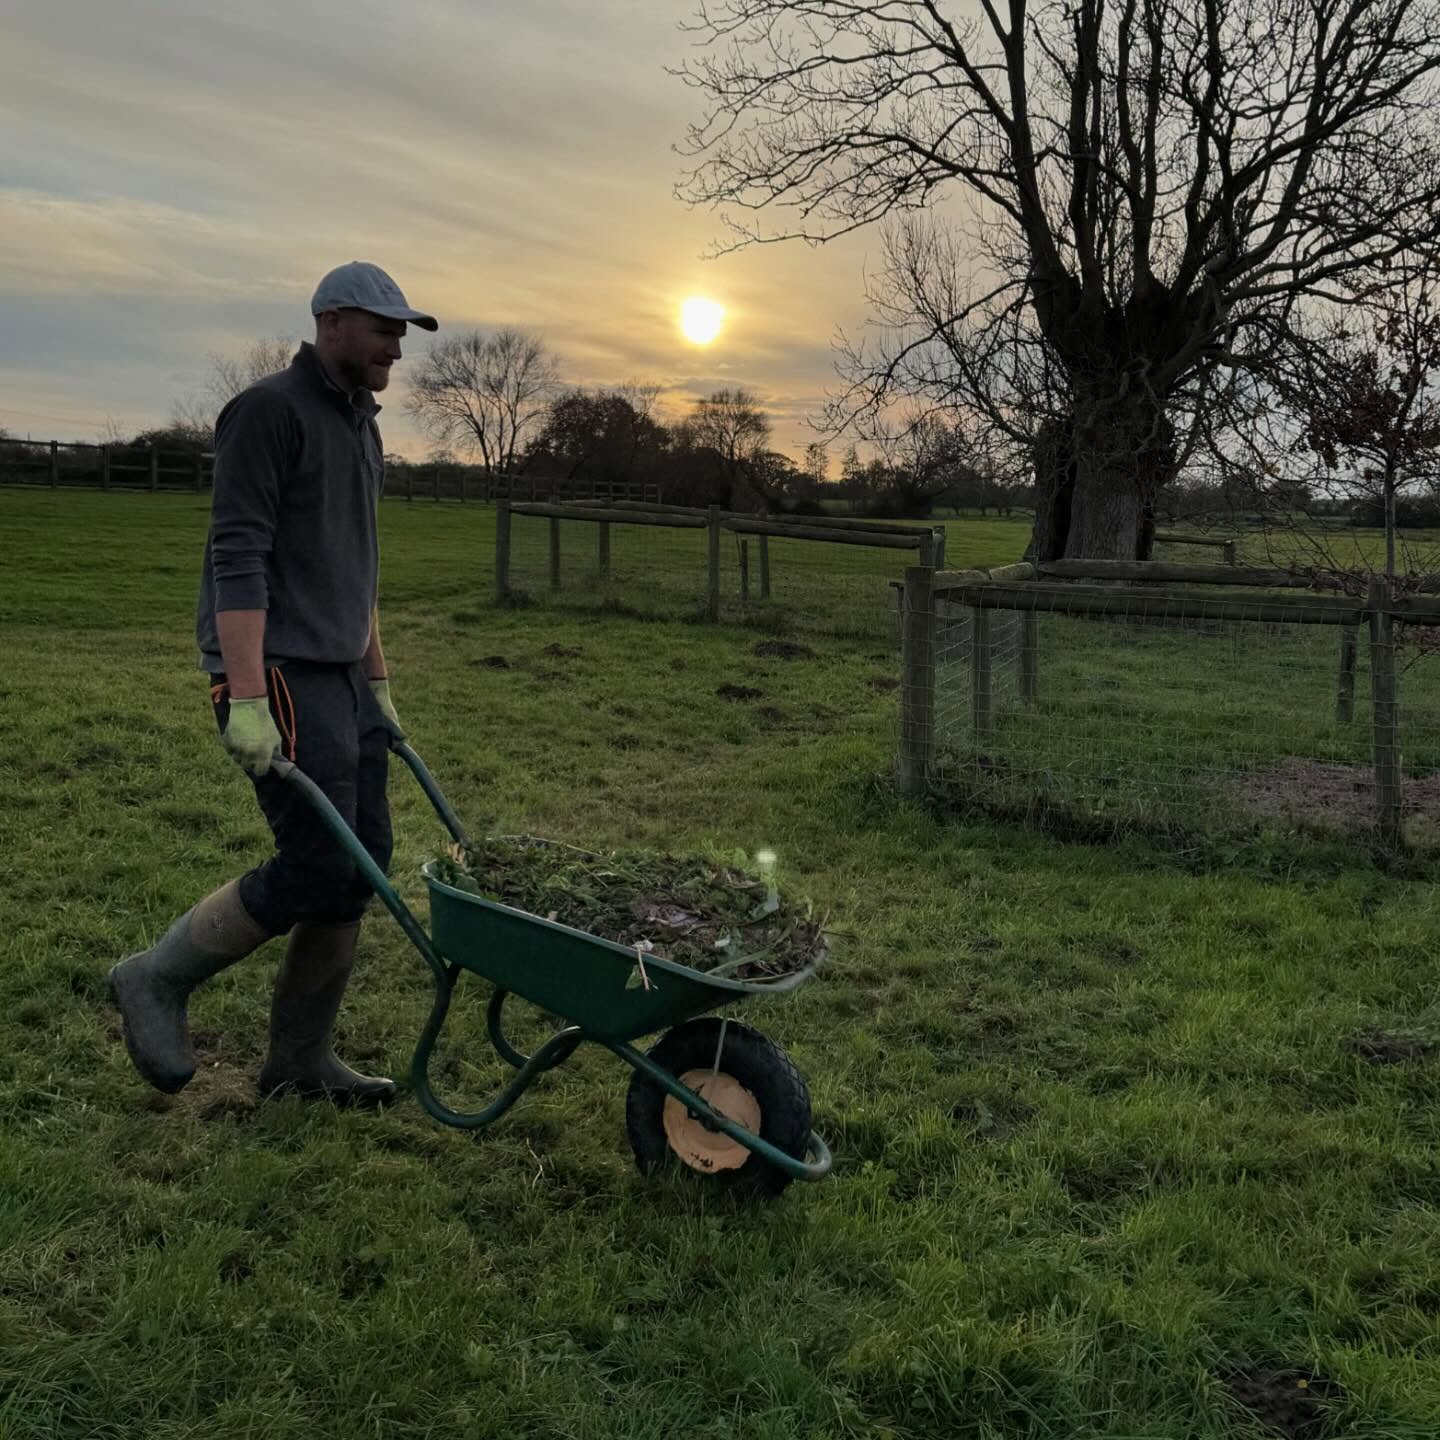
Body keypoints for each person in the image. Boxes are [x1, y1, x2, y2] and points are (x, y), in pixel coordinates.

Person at [109, 261, 438, 1106]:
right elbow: (238, 555)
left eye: (402, 333)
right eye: (384, 329)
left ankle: (298, 1061)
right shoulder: (268, 411)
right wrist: (248, 697)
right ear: (331, 322)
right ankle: (154, 977)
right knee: (320, 860)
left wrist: (378, 680)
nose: (396, 348)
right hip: (280, 672)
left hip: (342, 675)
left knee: (362, 865)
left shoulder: (361, 427)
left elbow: (358, 568)